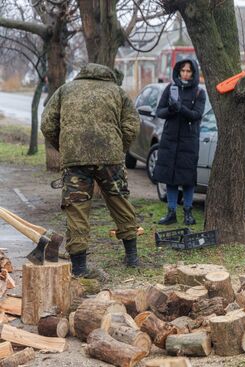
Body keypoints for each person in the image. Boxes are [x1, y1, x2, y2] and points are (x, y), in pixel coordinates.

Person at [41, 63, 141, 276]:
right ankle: (132, 257)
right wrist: (118, 146)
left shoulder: (65, 90)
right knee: (119, 201)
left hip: (75, 159)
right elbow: (132, 124)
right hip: (110, 158)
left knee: (76, 209)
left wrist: (65, 147)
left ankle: (79, 268)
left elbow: (47, 124)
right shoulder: (117, 91)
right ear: (108, 75)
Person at [154, 58, 206, 225]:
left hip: (188, 141)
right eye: (182, 70)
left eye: (188, 71)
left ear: (193, 73)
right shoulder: (170, 88)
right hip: (170, 139)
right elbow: (159, 111)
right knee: (170, 178)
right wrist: (171, 109)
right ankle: (171, 213)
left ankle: (188, 213)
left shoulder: (199, 92)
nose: (185, 74)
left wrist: (181, 108)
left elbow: (196, 115)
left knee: (188, 179)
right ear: (178, 71)